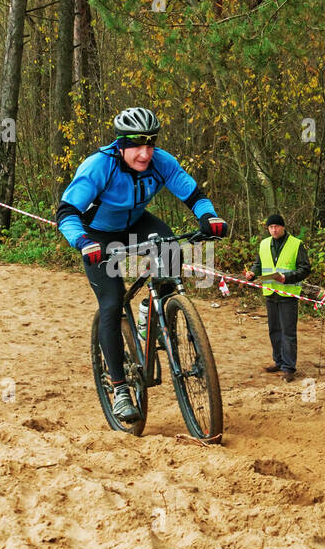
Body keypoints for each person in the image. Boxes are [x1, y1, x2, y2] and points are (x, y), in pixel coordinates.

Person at [58, 107, 228, 423]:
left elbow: (194, 195)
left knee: (171, 250)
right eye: (137, 145)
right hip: (98, 233)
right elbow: (66, 212)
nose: (145, 153)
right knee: (110, 304)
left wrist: (209, 217)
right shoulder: (99, 166)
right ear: (121, 145)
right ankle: (120, 388)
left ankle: (157, 310)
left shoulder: (161, 162)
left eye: (150, 144)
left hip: (137, 223)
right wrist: (83, 242)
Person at [242, 213, 310, 382]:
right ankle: (278, 361)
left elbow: (305, 268)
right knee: (274, 330)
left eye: (276, 227)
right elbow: (259, 264)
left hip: (288, 294)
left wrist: (286, 278)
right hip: (270, 293)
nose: (274, 230)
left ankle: (288, 368)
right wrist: (252, 273)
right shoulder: (264, 244)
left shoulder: (296, 244)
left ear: (283, 227)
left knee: (288, 332)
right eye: (271, 227)